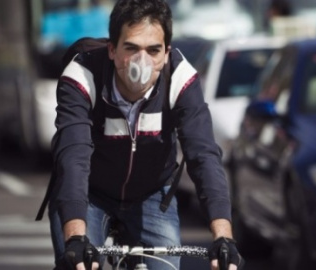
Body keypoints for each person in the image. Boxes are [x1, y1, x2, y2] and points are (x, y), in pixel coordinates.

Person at [35, 0, 244, 269]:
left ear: (167, 53)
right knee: (78, 263)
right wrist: (75, 236)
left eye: (153, 50)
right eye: (131, 48)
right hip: (89, 193)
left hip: (152, 193)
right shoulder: (82, 76)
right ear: (112, 49)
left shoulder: (180, 79)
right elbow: (73, 155)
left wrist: (224, 237)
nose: (141, 61)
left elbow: (203, 154)